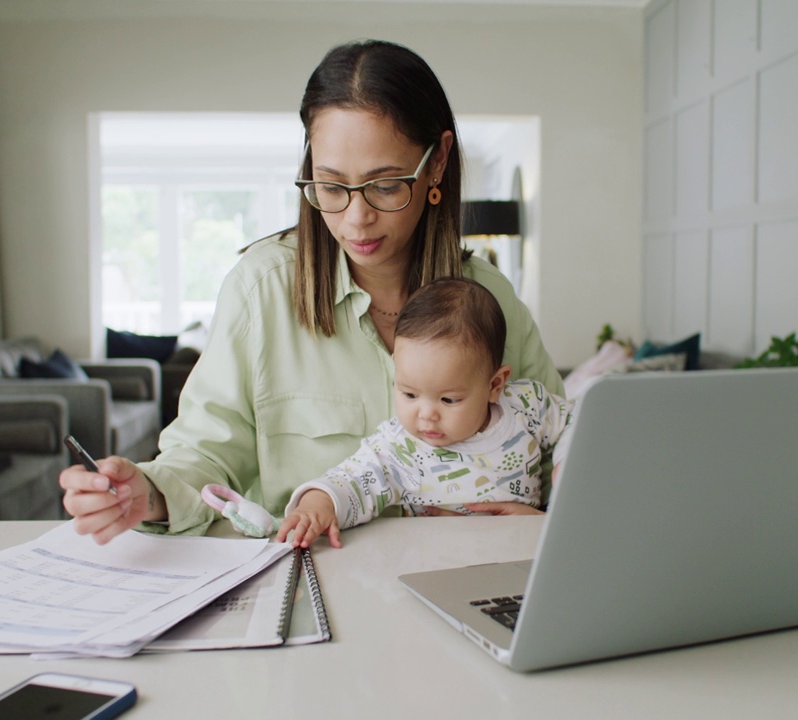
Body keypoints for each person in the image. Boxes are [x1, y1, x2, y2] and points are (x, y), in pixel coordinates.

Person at [60, 39, 564, 544]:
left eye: (386, 186)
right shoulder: (261, 290)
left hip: (474, 576)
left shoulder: (490, 296)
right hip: (310, 583)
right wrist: (146, 493)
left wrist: (549, 517)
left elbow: (568, 448)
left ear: (437, 164)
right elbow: (203, 457)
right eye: (331, 186)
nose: (355, 218)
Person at [276, 278, 573, 549]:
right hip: (431, 567)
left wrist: (567, 463)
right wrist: (318, 504)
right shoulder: (401, 447)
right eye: (409, 394)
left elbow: (579, 423)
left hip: (523, 558)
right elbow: (353, 481)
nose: (426, 415)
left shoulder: (526, 406)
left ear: (494, 385)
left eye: (448, 399)